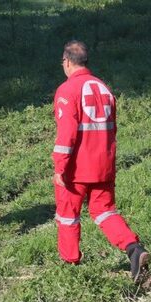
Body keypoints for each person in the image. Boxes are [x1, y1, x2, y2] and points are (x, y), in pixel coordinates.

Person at [52, 40, 148, 282]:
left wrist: (60, 167)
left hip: (76, 168)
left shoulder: (67, 90)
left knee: (68, 214)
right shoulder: (104, 88)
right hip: (104, 164)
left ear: (66, 62)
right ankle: (134, 249)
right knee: (105, 211)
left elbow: (67, 134)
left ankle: (70, 263)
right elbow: (112, 129)